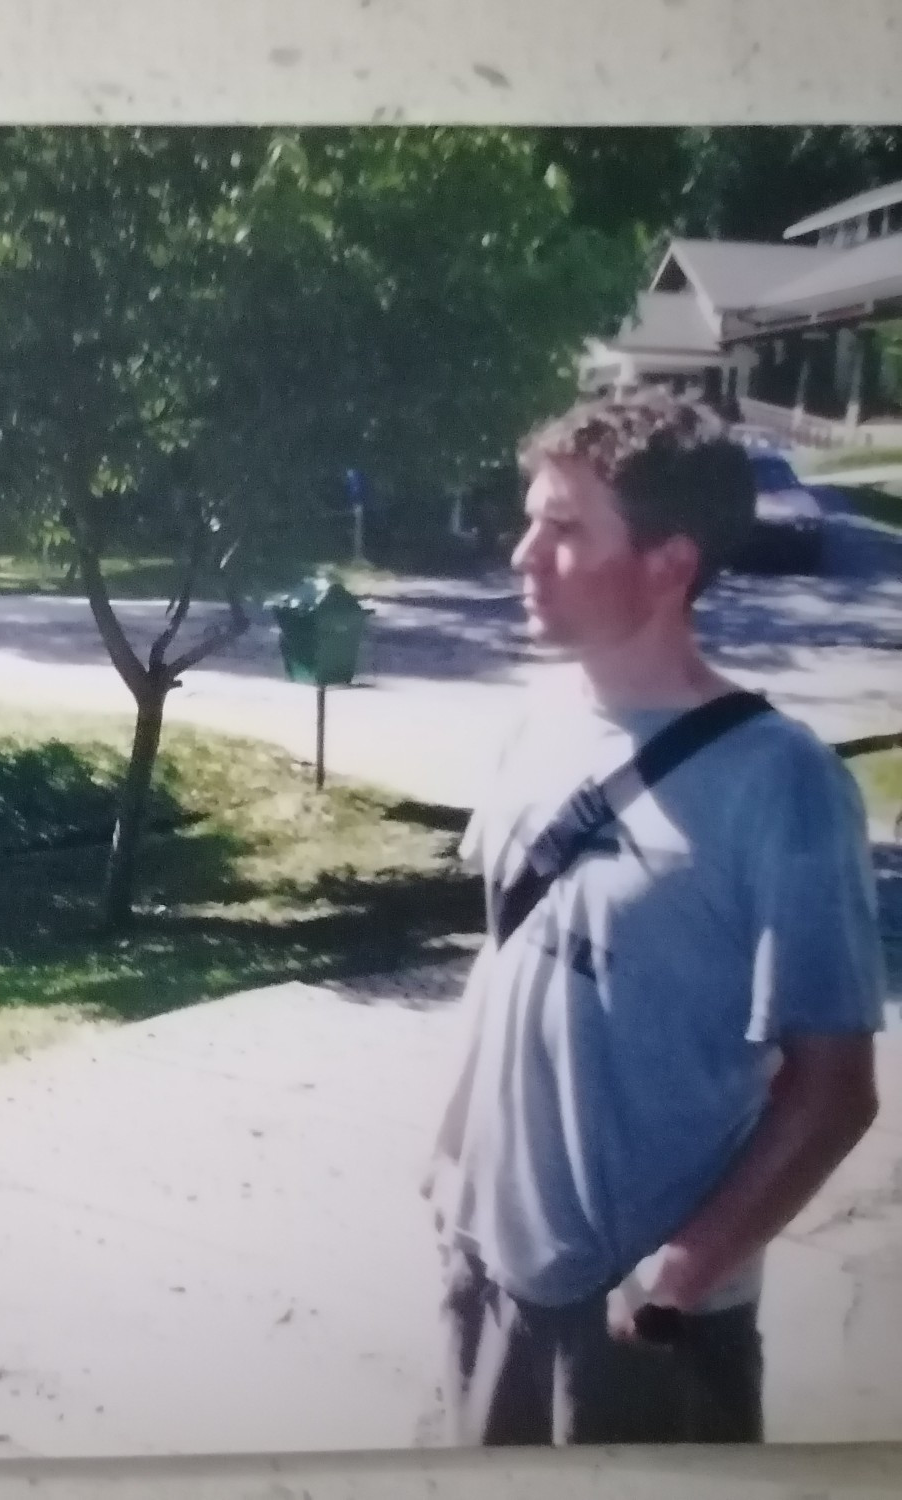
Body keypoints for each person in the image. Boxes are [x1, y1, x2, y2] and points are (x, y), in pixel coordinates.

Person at [424, 391, 885, 1446]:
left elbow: (831, 1090)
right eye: (529, 518)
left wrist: (675, 1280)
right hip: (482, 1265)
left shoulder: (784, 786)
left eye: (563, 527)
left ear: (668, 562)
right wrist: (446, 1167)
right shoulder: (535, 726)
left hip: (635, 1325)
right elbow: (506, 956)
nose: (519, 555)